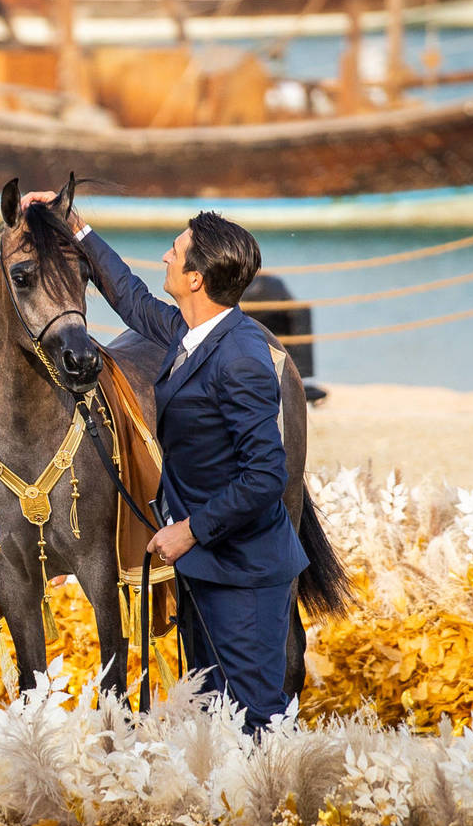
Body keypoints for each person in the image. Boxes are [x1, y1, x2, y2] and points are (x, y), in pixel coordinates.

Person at [23, 190, 308, 735]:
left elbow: (267, 475)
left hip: (243, 574)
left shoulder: (243, 357)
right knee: (210, 720)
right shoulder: (193, 333)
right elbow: (129, 299)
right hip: (207, 567)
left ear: (197, 278)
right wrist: (77, 230)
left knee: (252, 727)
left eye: (176, 252)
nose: (165, 259)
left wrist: (189, 532)